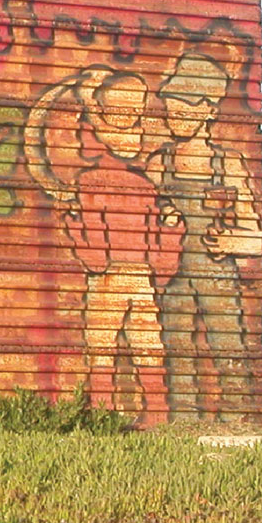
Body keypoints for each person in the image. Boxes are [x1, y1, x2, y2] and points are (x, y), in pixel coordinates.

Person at [148, 51, 262, 418]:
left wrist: (233, 241)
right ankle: (182, 426)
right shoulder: (158, 163)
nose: (177, 114)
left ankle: (238, 422)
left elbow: (256, 236)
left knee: (229, 347)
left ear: (210, 110)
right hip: (173, 277)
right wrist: (161, 220)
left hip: (218, 276)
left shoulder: (226, 163)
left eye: (188, 106)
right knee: (178, 352)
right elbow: (141, 224)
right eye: (173, 106)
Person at [62, 66, 184, 406]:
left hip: (110, 279)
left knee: (102, 345)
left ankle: (104, 411)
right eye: (124, 115)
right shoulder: (145, 188)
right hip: (141, 279)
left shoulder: (91, 184)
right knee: (148, 345)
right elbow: (163, 264)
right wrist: (173, 230)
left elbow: (95, 258)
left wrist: (74, 224)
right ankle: (156, 412)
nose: (137, 125)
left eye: (136, 114)